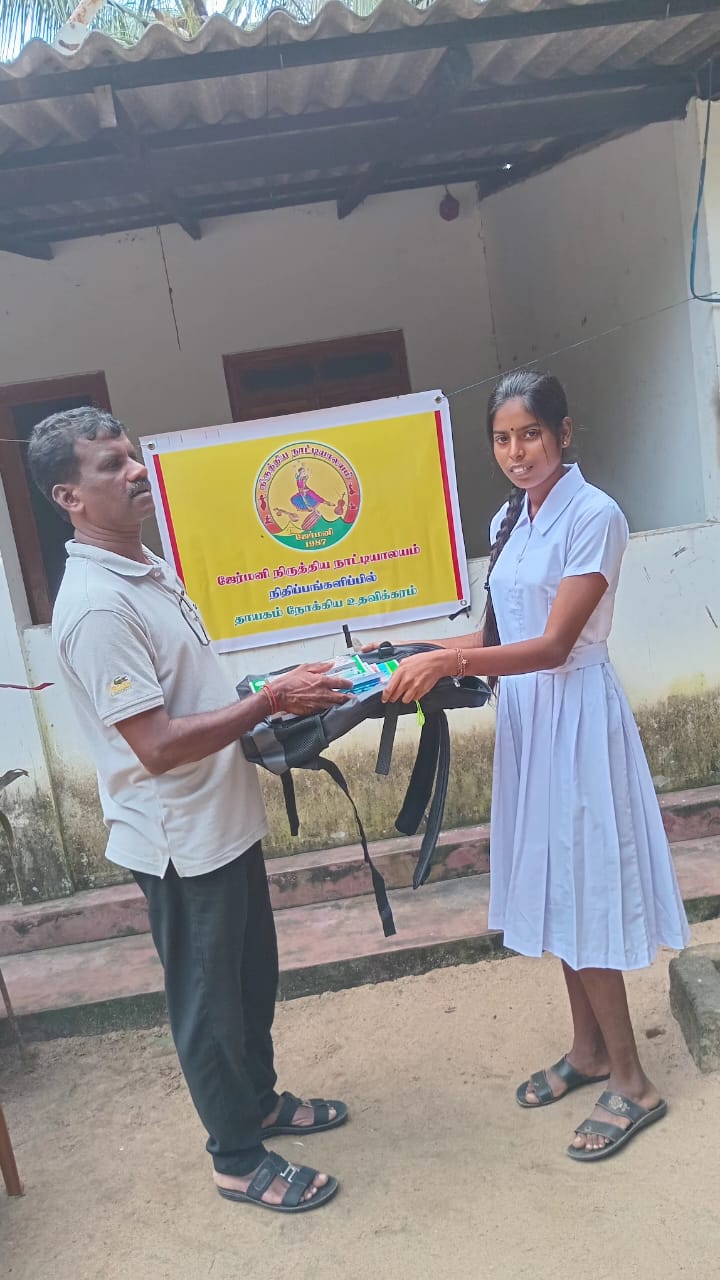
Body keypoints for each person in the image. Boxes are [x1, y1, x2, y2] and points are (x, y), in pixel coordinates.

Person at [28, 407, 353, 1214]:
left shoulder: (145, 568)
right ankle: (237, 1159)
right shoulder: (97, 607)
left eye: (131, 455)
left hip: (223, 819)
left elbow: (190, 697)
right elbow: (157, 745)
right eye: (110, 465)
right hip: (179, 840)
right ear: (69, 496)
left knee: (249, 981)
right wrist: (268, 701)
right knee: (209, 1006)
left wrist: (273, 692)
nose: (135, 471)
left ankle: (260, 1104)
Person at [380, 371, 690, 1162]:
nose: (517, 452)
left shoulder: (596, 515)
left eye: (530, 435)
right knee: (554, 880)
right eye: (502, 438)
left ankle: (632, 1081)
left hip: (577, 715)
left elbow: (552, 646)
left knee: (584, 885)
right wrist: (419, 655)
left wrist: (451, 659)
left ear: (563, 434)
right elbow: (498, 632)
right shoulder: (511, 515)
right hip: (527, 720)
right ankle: (588, 1052)